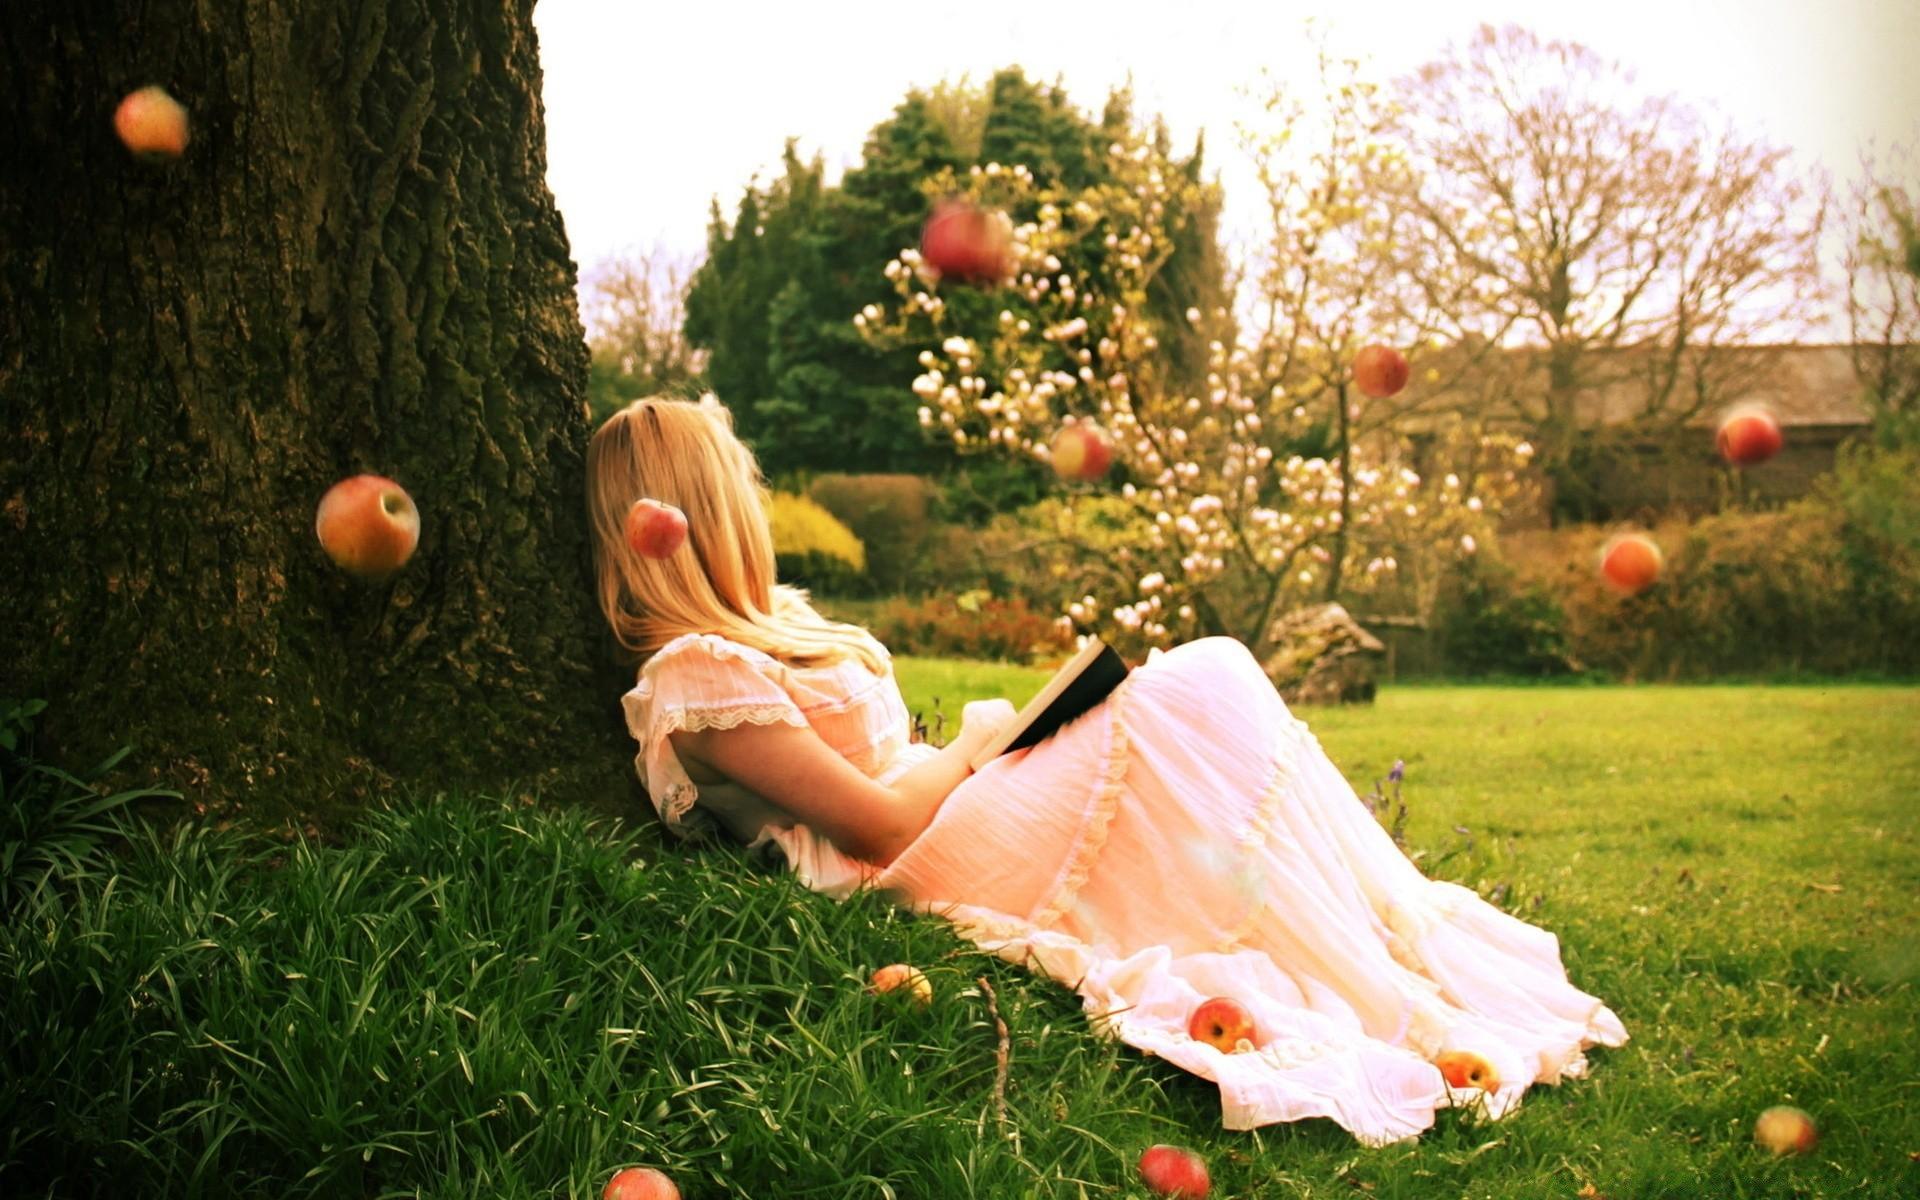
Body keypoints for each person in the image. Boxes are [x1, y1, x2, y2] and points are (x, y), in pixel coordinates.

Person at [587, 396, 1627, 1145]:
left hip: (948, 809)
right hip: (915, 858)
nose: (759, 498)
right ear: (704, 508)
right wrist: (977, 747)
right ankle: (1360, 970)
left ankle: (1374, 948)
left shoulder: (765, 630)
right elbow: (878, 829)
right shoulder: (694, 677)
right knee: (1200, 682)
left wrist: (1000, 742)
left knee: (1196, 683)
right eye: (744, 482)